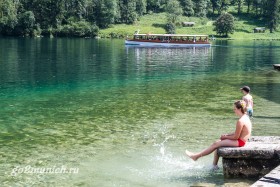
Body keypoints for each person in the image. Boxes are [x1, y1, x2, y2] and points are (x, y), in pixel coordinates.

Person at [185, 100, 252, 170]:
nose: (233, 110)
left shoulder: (240, 121)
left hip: (240, 142)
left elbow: (236, 137)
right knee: (218, 143)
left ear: (239, 109)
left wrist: (225, 137)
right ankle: (214, 166)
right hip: (241, 141)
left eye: (235, 109)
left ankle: (196, 156)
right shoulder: (245, 117)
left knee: (216, 144)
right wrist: (227, 135)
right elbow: (238, 132)